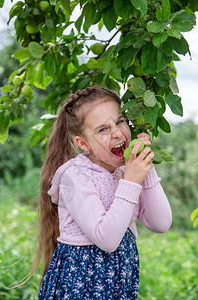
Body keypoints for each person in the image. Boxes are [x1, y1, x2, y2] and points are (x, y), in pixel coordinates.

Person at [36, 85, 172, 299]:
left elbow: (161, 223)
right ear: (83, 143)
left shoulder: (124, 173)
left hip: (119, 283)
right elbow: (107, 240)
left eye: (119, 121)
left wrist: (147, 168)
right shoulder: (75, 176)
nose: (118, 132)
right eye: (103, 129)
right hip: (82, 285)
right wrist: (132, 179)